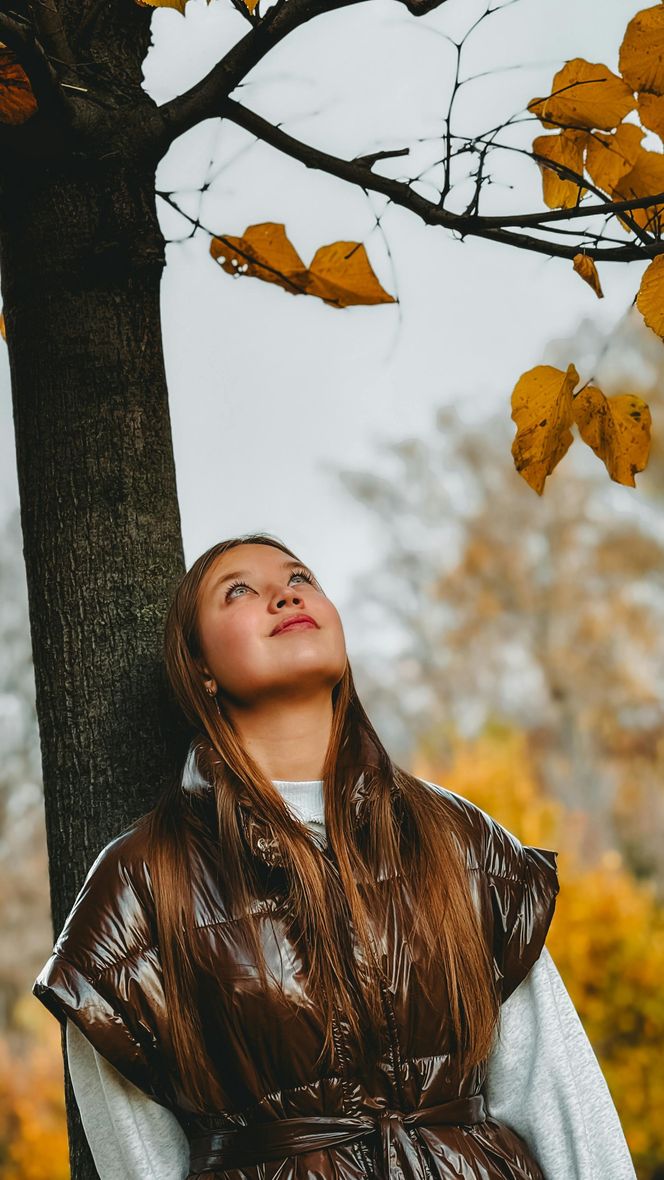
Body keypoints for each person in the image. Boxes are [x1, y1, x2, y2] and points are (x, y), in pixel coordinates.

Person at [33, 533, 636, 1179]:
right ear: (199, 667)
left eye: (300, 577)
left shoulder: (457, 837)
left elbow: (556, 1093)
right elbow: (137, 1161)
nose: (285, 593)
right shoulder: (143, 884)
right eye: (239, 590)